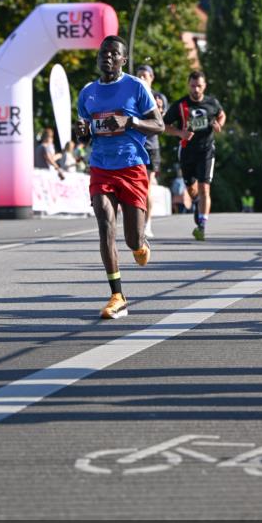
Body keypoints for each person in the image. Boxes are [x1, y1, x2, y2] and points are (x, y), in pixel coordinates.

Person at [77, 35, 164, 319]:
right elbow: (86, 132)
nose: (108, 56)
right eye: (104, 52)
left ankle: (140, 245)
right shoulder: (87, 93)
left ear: (123, 60)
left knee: (132, 239)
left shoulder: (136, 87)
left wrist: (131, 121)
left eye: (114, 53)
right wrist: (82, 132)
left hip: (131, 166)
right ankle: (117, 296)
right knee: (105, 223)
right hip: (101, 166)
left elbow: (159, 125)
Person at [164, 70, 226, 241]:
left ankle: (202, 226)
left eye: (199, 86)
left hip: (206, 150)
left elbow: (221, 114)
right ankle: (197, 202)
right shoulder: (180, 105)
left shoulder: (212, 102)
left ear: (204, 86)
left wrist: (219, 125)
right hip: (187, 151)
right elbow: (164, 125)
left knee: (205, 188)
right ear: (188, 86)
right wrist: (180, 133)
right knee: (192, 190)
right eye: (193, 86)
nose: (196, 89)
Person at [134, 64, 167, 239]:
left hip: (151, 146)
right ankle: (135, 221)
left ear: (152, 78)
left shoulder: (158, 97)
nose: (141, 78)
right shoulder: (132, 94)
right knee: (134, 186)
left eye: (145, 76)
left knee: (146, 187)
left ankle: (147, 224)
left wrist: (159, 111)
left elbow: (162, 122)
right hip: (133, 145)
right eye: (139, 75)